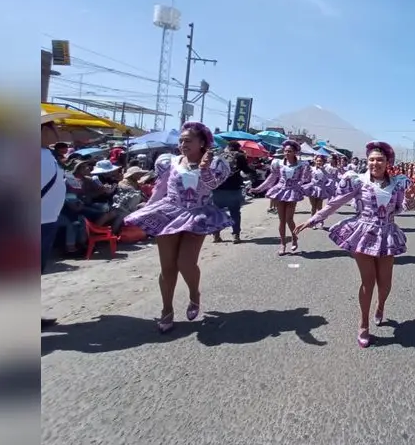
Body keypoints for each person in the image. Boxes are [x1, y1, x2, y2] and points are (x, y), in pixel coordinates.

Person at [293, 141, 411, 348]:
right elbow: (335, 203)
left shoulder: (399, 183)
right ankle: (363, 323)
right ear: (367, 161)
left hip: (387, 235)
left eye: (380, 160)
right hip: (363, 234)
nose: (375, 163)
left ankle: (380, 305)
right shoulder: (357, 181)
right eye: (372, 159)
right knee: (368, 281)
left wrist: (410, 200)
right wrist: (312, 220)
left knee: (385, 283)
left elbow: (403, 207)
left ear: (387, 162)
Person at [123, 122, 232, 333]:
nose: (183, 144)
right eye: (181, 140)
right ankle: (167, 310)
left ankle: (194, 294)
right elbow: (160, 188)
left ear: (202, 143)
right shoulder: (169, 162)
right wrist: (149, 207)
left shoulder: (216, 164)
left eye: (188, 140)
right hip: (169, 213)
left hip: (198, 214)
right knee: (167, 267)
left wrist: (204, 168)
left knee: (186, 263)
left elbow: (212, 187)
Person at [252, 139, 311, 255]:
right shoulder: (277, 163)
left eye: (289, 151)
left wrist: (299, 185)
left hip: (292, 192)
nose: (287, 153)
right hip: (280, 191)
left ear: (295, 153)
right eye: (285, 151)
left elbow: (305, 179)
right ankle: (283, 244)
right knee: (281, 220)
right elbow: (271, 179)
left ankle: (294, 238)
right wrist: (258, 189)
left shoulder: (302, 165)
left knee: (289, 218)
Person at [41, 110, 71, 328]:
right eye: (54, 126)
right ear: (42, 130)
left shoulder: (45, 154)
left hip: (46, 220)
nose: (58, 130)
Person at [213, 141, 254, 243]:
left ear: (228, 147)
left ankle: (216, 235)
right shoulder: (240, 156)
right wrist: (252, 171)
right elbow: (246, 170)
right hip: (234, 188)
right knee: (235, 212)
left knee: (218, 212)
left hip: (218, 188)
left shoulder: (219, 154)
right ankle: (236, 235)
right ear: (238, 148)